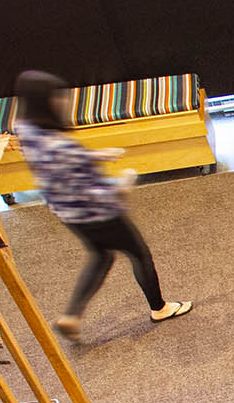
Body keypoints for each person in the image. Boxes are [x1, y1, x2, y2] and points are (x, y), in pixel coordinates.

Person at [11, 70, 191, 341]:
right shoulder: (60, 145)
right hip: (99, 214)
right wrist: (124, 181)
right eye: (58, 98)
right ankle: (160, 308)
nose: (64, 102)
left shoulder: (25, 130)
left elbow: (61, 165)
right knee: (139, 253)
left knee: (101, 255)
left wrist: (94, 156)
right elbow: (99, 193)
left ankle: (71, 316)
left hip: (68, 214)